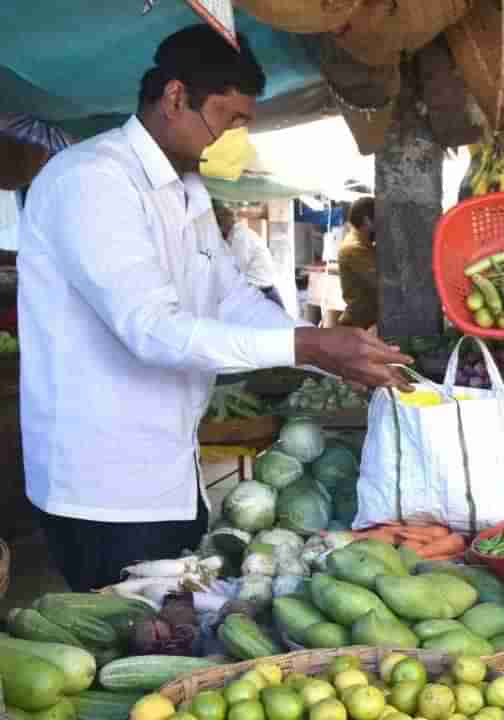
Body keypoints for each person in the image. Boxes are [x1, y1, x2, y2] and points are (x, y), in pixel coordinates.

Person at [17, 25, 412, 591]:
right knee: (127, 647)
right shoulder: (91, 181)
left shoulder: (188, 190)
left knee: (180, 628)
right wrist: (306, 344)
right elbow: (152, 330)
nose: (235, 140)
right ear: (176, 98)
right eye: (230, 121)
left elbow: (230, 298)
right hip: (103, 487)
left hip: (173, 471)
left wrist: (322, 352)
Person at [213, 201, 279, 296]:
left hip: (262, 291)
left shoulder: (239, 237)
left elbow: (237, 270)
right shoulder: (235, 235)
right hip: (257, 290)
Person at [338, 196, 379, 330]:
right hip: (358, 326)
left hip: (364, 324)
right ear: (367, 221)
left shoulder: (365, 244)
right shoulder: (354, 248)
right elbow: (381, 282)